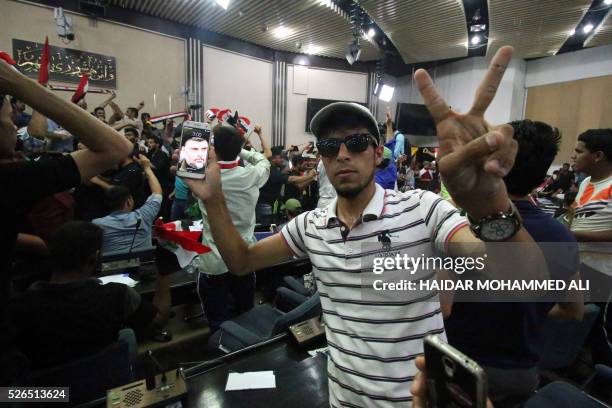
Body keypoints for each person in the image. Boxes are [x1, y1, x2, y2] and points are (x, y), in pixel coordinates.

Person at [182, 45, 547, 407]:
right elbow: (241, 261)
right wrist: (213, 199)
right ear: (321, 159)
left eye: (356, 143)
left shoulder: (422, 208)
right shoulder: (310, 226)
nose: (342, 154)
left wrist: (489, 200)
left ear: (377, 154)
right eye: (329, 146)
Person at [0, 57, 132, 383]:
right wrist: (21, 84)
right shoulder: (11, 179)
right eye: (7, 117)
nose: (12, 127)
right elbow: (114, 147)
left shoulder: (26, 306)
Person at [444, 119, 583, 408]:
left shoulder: (458, 230)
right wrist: (529, 307)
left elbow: (442, 306)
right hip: (520, 372)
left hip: (459, 366)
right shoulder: (563, 237)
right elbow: (574, 310)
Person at [9, 221, 170, 370]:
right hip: (108, 387)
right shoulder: (117, 295)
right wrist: (163, 271)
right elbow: (159, 318)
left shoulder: (19, 307)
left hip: (46, 396)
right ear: (94, 258)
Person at [194, 126, 270, 332]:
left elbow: (188, 165)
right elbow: (264, 161)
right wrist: (240, 150)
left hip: (214, 259)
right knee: (246, 314)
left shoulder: (201, 177)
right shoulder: (252, 175)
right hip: (245, 255)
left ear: (213, 149)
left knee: (217, 319)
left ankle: (219, 353)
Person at [569, 128, 612, 366]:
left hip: (603, 272)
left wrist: (573, 234)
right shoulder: (586, 182)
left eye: (579, 151)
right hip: (579, 265)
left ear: (598, 156)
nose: (573, 155)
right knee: (575, 327)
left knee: (600, 335)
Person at [93, 155, 162, 254]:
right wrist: (147, 168)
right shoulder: (144, 217)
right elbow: (157, 193)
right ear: (129, 201)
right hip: (144, 267)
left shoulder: (98, 224)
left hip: (112, 268)